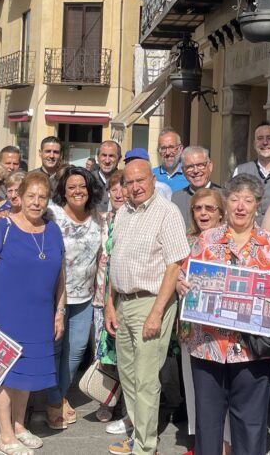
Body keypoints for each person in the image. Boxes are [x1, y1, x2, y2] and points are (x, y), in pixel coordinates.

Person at [176, 174, 270, 455]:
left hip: (252, 349)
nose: (240, 206)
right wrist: (182, 284)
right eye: (235, 199)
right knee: (208, 423)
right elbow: (182, 275)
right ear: (225, 203)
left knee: (250, 423)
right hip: (207, 345)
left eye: (248, 200)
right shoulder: (206, 240)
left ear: (257, 205)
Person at [0, 171, 66, 454]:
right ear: (20, 197)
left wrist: (59, 311)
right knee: (3, 373)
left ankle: (18, 425)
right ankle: (4, 436)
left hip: (39, 313)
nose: (36, 202)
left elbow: (62, 273)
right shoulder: (4, 227)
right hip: (5, 311)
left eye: (42, 197)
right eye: (31, 196)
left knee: (26, 372)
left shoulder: (52, 230)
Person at [105, 158, 191, 455]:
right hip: (123, 301)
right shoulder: (124, 213)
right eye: (129, 182)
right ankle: (138, 434)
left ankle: (146, 446)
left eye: (141, 180)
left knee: (145, 378)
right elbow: (115, 260)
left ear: (153, 180)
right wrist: (109, 304)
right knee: (127, 375)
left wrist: (156, 312)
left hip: (151, 302)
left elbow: (174, 265)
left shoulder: (167, 212)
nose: (135, 187)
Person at [45, 166, 104, 429]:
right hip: (54, 296)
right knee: (55, 349)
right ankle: (54, 402)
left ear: (90, 189)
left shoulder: (100, 220)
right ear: (63, 192)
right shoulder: (52, 214)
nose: (77, 191)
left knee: (76, 351)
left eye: (82, 186)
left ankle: (55, 397)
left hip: (84, 297)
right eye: (71, 187)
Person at [176, 187, 231, 449]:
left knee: (225, 390)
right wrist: (177, 283)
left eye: (210, 208)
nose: (203, 213)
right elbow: (174, 272)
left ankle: (226, 444)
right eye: (198, 208)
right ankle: (202, 442)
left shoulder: (231, 240)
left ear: (221, 213)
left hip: (225, 331)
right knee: (194, 386)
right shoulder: (186, 241)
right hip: (192, 326)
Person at [93, 170, 128, 425]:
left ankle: (127, 406)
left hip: (124, 296)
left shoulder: (134, 219)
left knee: (126, 355)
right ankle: (105, 400)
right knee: (104, 354)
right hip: (100, 295)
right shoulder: (99, 220)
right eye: (113, 188)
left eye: (122, 188)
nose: (118, 193)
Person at [234, 122, 270, 217]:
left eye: (269, 138)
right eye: (260, 138)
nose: (265, 143)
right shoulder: (241, 171)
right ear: (254, 144)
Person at [171, 145, 223, 215]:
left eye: (200, 165)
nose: (196, 171)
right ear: (183, 171)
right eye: (190, 167)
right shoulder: (177, 199)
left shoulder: (224, 196)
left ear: (210, 166)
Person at [92, 140, 122, 213]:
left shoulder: (125, 180)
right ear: (97, 157)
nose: (107, 161)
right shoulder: (88, 179)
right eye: (104, 155)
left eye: (111, 156)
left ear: (119, 159)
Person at [154, 129, 187, 193]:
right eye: (163, 148)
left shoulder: (189, 175)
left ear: (181, 148)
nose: (168, 153)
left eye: (171, 147)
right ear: (159, 151)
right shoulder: (151, 176)